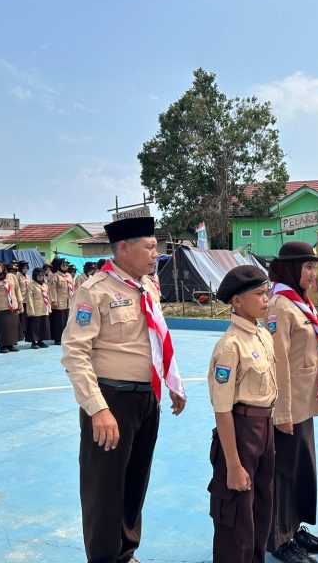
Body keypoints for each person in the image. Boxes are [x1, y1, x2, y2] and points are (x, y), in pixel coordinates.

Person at [61, 216, 186, 563]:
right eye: (149, 247)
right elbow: (75, 353)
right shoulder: (94, 290)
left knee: (135, 482)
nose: (155, 254)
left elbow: (156, 340)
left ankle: (125, 552)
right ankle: (103, 557)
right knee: (105, 488)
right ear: (124, 248)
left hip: (148, 398)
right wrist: (98, 409)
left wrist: (172, 383)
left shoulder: (148, 287)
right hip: (111, 399)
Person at [207, 265, 277, 563]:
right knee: (236, 514)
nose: (266, 299)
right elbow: (222, 410)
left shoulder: (261, 335)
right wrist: (233, 465)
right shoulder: (230, 346)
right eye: (259, 294)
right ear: (237, 301)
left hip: (265, 427)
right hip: (241, 429)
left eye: (267, 293)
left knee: (262, 507)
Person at [266, 241, 318, 563]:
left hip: (304, 403)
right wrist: (282, 412)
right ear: (291, 268)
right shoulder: (279, 305)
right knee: (283, 472)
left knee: (302, 468)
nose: (312, 273)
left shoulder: (298, 302)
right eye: (308, 267)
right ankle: (279, 538)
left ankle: (294, 527)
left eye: (313, 267)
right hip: (288, 406)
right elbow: (277, 361)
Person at [0, 259, 24, 353]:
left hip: (13, 305)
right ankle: (3, 345)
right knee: (2, 327)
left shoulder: (12, 276)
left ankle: (11, 344)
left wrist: (20, 303)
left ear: (2, 266)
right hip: (1, 307)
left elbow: (17, 290)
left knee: (12, 326)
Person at [49, 257, 74, 345]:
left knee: (67, 320)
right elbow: (52, 289)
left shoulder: (69, 276)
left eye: (66, 265)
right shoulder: (55, 276)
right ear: (59, 266)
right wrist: (54, 300)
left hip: (68, 302)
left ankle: (66, 337)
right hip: (59, 302)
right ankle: (58, 338)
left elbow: (72, 288)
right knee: (59, 321)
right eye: (63, 265)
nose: (65, 266)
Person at [25, 267, 52, 349]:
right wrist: (31, 310)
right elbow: (29, 299)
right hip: (35, 309)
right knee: (34, 326)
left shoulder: (45, 285)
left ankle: (40, 341)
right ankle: (34, 342)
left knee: (43, 325)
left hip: (44, 308)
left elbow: (48, 297)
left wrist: (49, 308)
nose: (40, 277)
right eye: (38, 276)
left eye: (42, 275)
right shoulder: (31, 285)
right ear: (34, 276)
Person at [17, 261, 31, 343]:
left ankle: (26, 330)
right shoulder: (17, 276)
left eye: (26, 268)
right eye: (24, 268)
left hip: (27, 299)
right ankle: (21, 331)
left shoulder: (28, 277)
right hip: (21, 299)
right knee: (21, 316)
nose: (25, 269)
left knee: (26, 316)